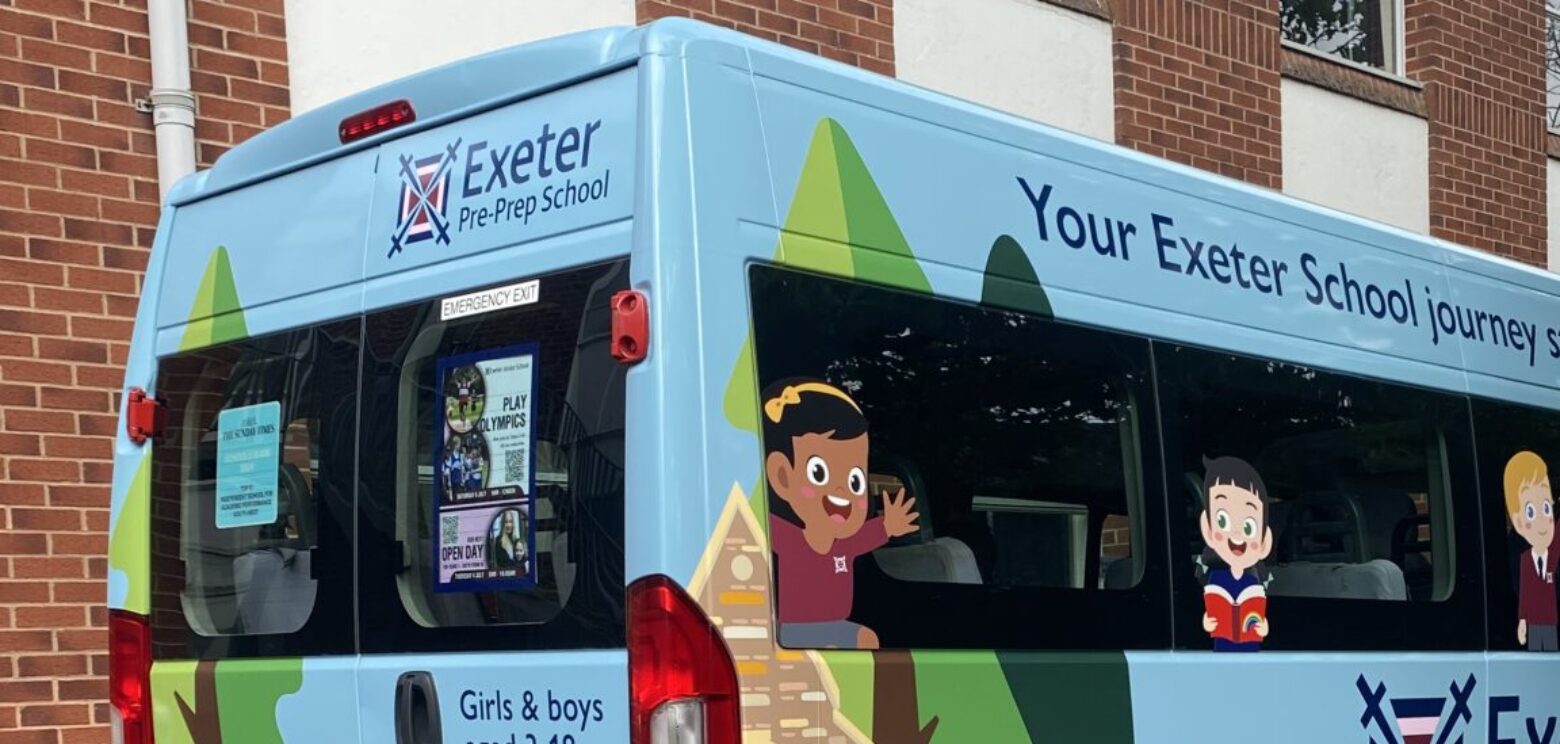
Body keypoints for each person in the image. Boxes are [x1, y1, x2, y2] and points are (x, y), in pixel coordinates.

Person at [762, 378, 920, 650]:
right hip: (794, 631)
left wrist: (888, 526)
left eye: (855, 481)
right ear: (782, 476)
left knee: (866, 639)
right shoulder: (790, 539)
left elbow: (865, 538)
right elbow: (757, 525)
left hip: (835, 625)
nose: (840, 491)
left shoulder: (843, 545)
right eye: (818, 473)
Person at [1198, 455, 1273, 652]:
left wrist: (1263, 627)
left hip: (1250, 647)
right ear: (1207, 528)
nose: (1237, 536)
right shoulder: (1212, 577)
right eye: (1222, 521)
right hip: (1222, 645)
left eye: (1249, 527)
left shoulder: (1254, 582)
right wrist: (1208, 622)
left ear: (1264, 542)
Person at [1506, 451, 1558, 652]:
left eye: (1546, 507)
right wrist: (1522, 622)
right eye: (1531, 511)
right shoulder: (1522, 555)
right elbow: (1521, 592)